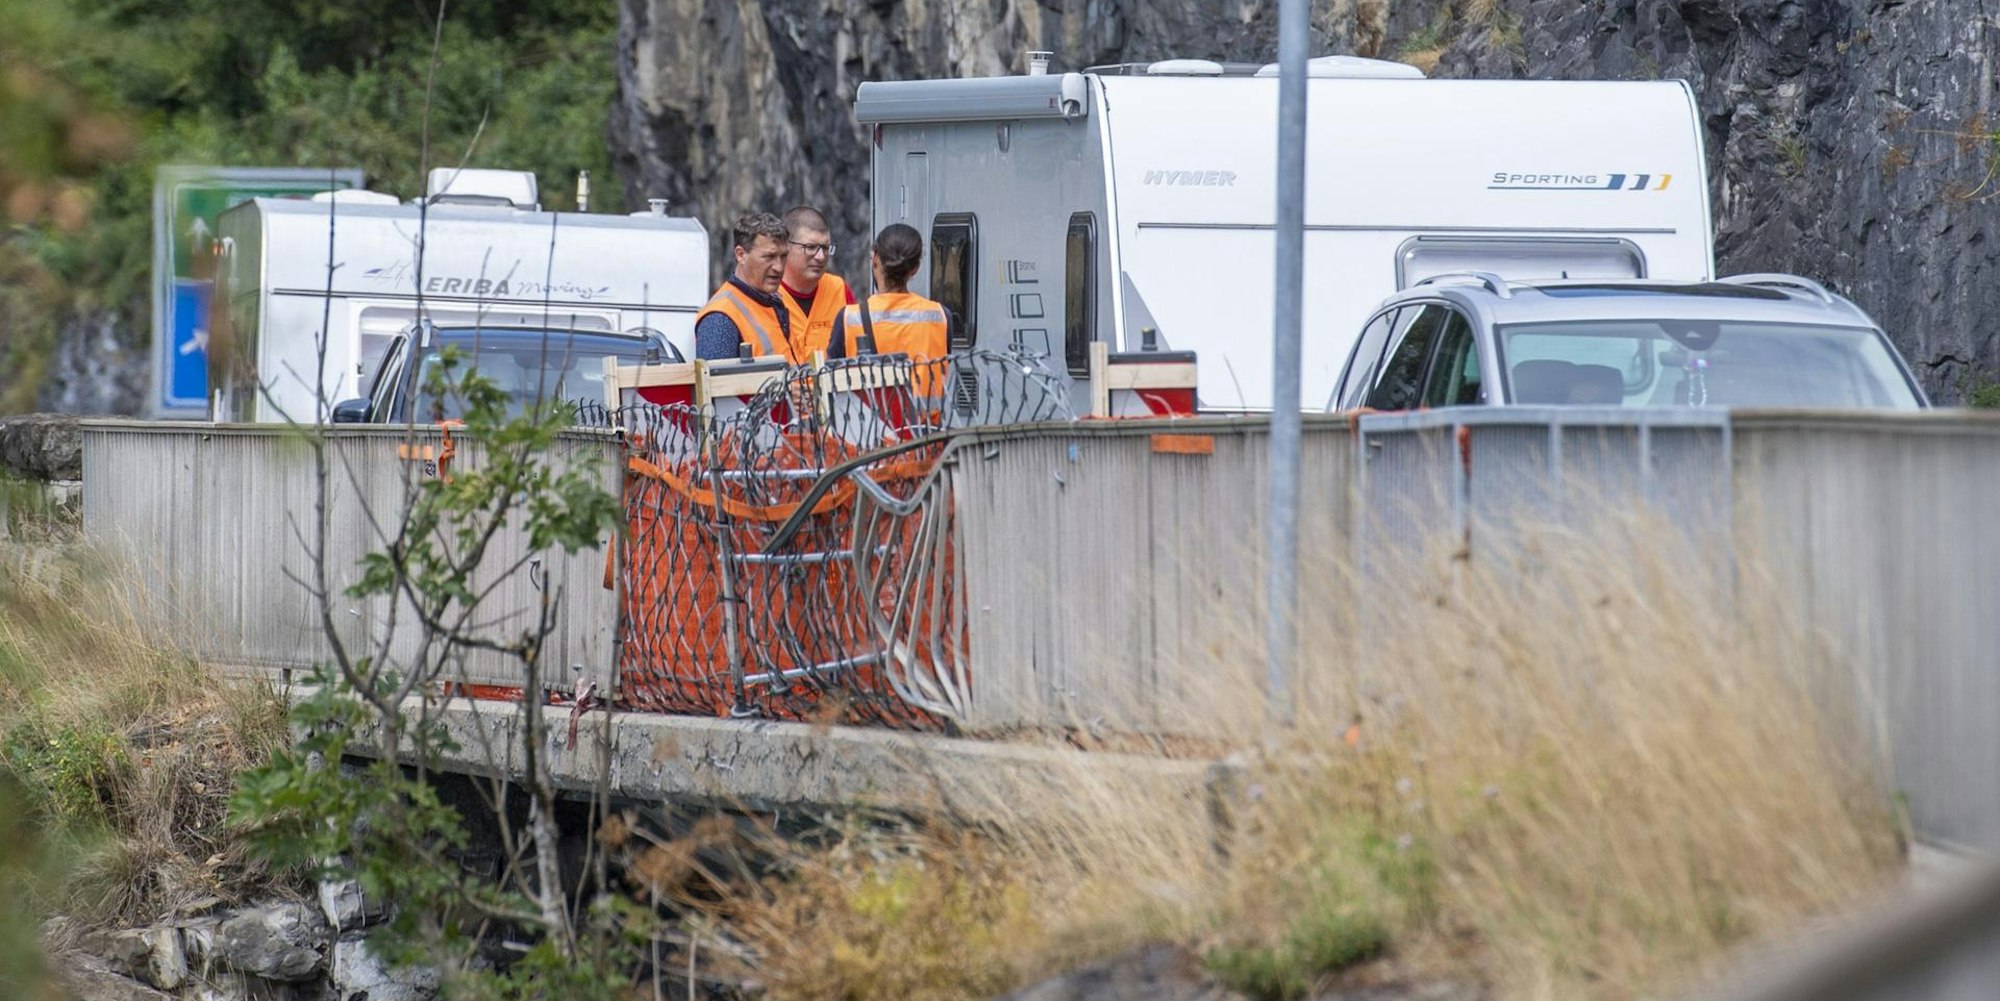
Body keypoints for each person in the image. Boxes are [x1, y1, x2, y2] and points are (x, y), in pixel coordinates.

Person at [836, 223, 949, 395]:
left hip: (869, 421)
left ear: (874, 258)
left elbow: (829, 380)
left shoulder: (849, 318)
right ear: (915, 269)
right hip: (927, 421)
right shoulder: (941, 316)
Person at [694, 213, 791, 361]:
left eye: (783, 256)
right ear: (741, 255)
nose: (779, 267)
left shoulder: (771, 300)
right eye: (769, 257)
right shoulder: (720, 319)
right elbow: (715, 382)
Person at [777, 205, 854, 363]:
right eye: (810, 247)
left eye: (825, 248)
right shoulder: (767, 295)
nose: (820, 257)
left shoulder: (839, 289)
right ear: (785, 247)